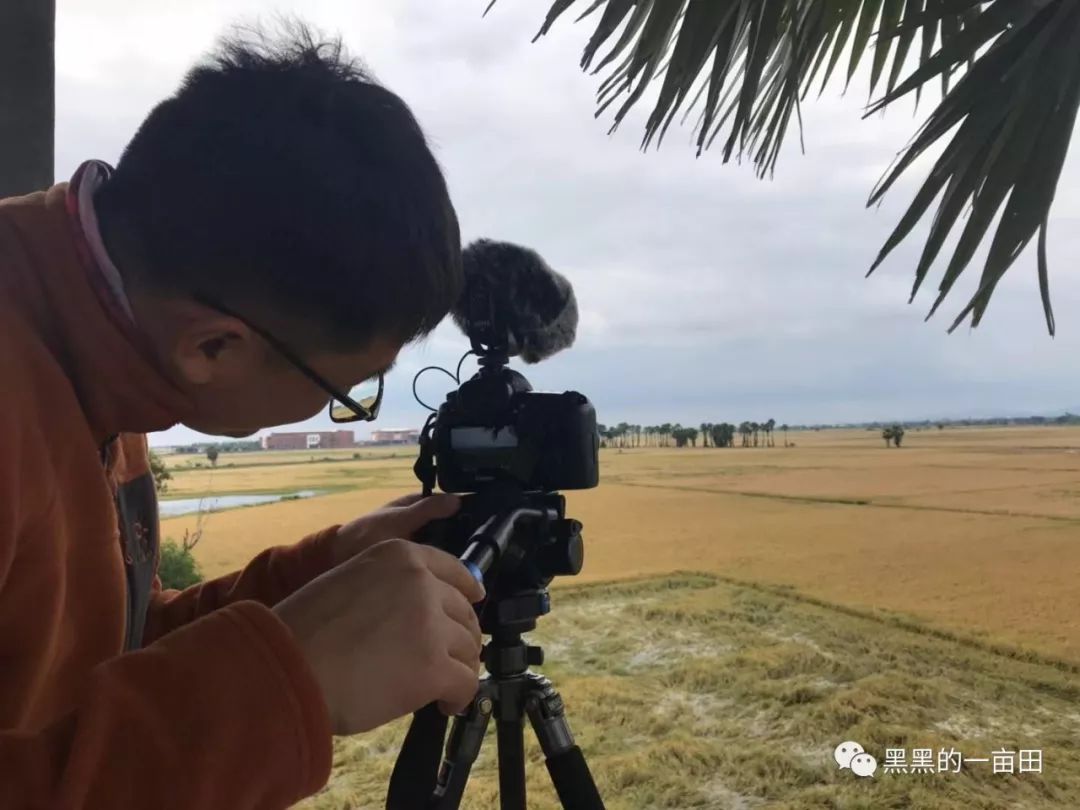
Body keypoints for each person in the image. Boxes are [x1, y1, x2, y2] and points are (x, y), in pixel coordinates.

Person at [0, 25, 485, 808]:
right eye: (346, 388)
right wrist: (284, 687)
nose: (342, 412)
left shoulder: (106, 347)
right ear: (215, 346)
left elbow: (98, 657)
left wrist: (326, 567)